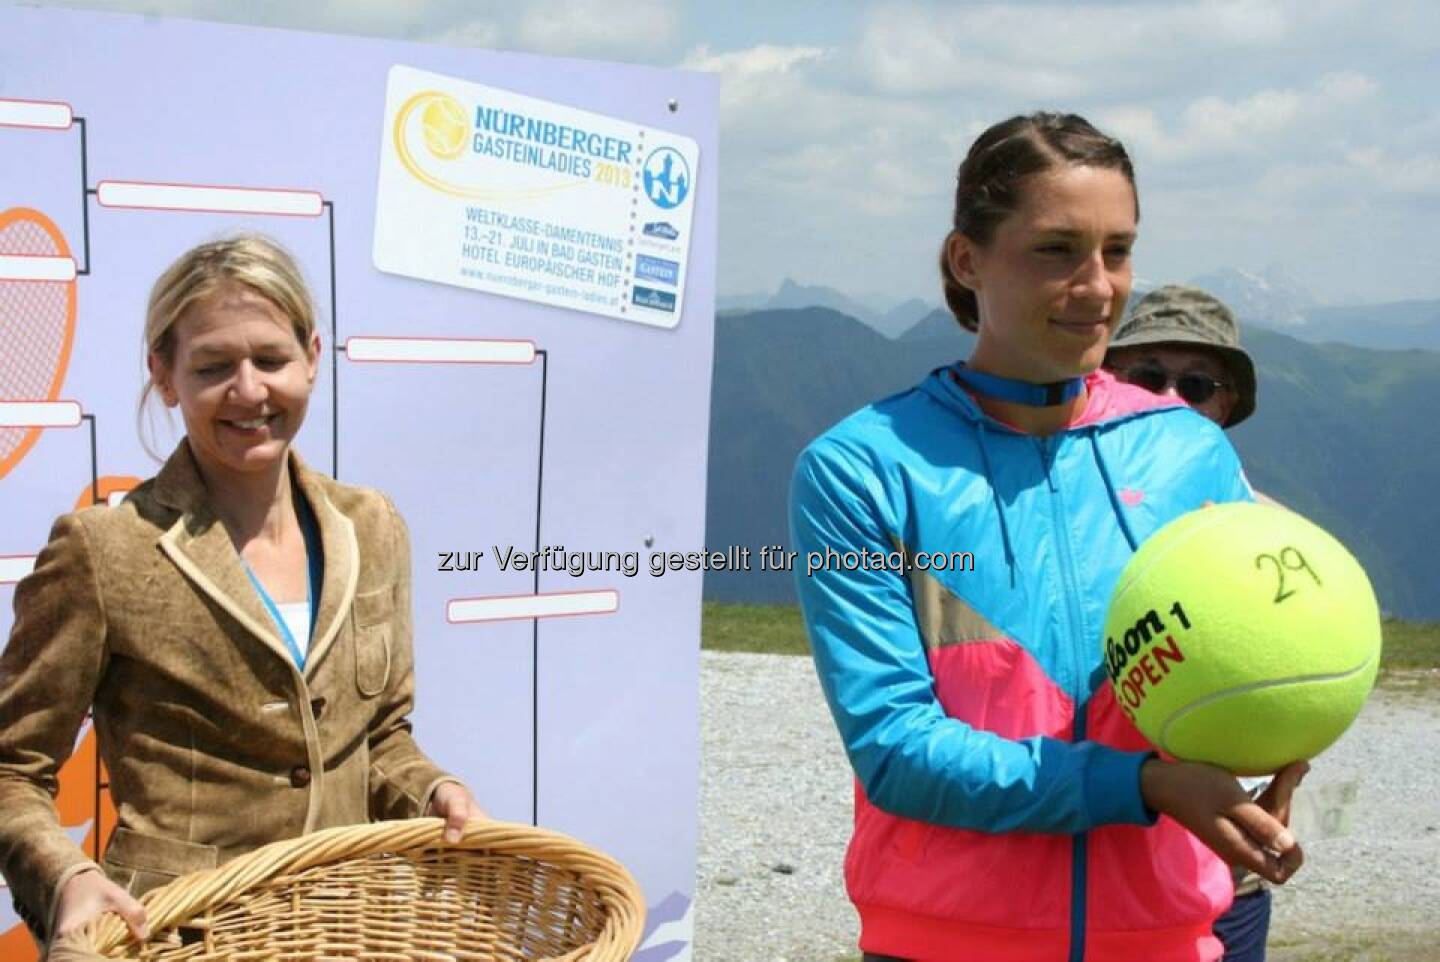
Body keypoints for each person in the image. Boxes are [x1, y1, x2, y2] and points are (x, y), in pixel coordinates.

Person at [789, 113, 1306, 962]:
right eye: (1056, 250)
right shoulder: (862, 469)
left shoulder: (1189, 451)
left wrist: (1271, 747)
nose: (1099, 286)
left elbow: (1250, 658)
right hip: (943, 944)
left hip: (1169, 939)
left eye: (1117, 250)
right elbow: (897, 750)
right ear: (967, 261)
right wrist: (1142, 784)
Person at [0, 236, 484, 950]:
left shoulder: (373, 528)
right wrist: (65, 877)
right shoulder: (103, 551)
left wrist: (433, 791)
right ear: (164, 376)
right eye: (214, 366)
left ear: (313, 358)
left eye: (271, 359)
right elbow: (12, 769)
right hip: (177, 935)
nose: (250, 390)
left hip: (350, 929)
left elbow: (378, 737)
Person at [1105, 285, 1272, 962]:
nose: (1170, 400)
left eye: (1196, 385)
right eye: (1147, 378)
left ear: (1225, 405)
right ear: (1107, 384)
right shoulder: (1054, 519)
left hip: (1223, 878)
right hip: (1093, 859)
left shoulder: (1269, 538)